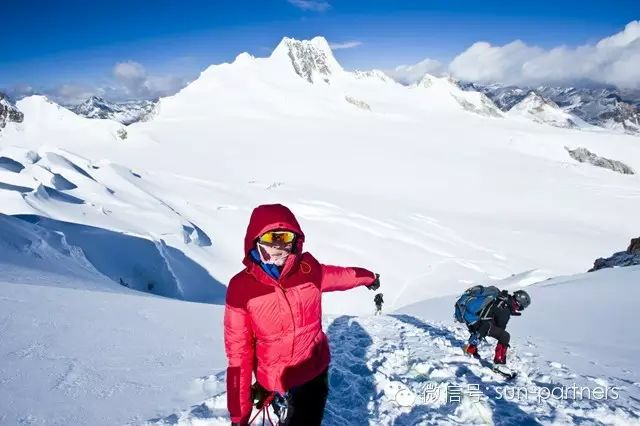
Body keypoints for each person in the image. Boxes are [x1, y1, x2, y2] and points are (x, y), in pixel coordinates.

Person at [224, 204, 380, 426]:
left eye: (285, 236)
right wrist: (239, 416)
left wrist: (369, 277)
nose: (278, 245)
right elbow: (238, 354)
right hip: (273, 376)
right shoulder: (241, 288)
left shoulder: (308, 269)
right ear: (255, 239)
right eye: (271, 236)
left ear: (295, 239)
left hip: (312, 371)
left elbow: (342, 276)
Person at [459, 287, 531, 367]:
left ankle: (471, 349)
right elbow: (501, 327)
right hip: (480, 324)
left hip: (473, 318)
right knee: (505, 336)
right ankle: (499, 362)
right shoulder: (505, 308)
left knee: (484, 329)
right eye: (520, 308)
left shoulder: (501, 299)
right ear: (518, 303)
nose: (518, 309)